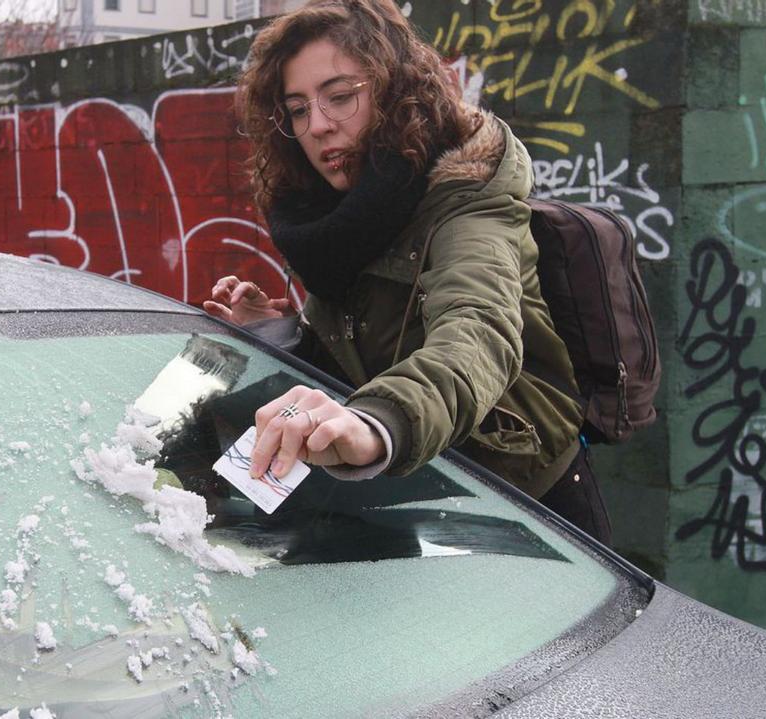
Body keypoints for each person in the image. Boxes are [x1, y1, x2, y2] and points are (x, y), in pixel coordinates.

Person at [204, 0, 612, 543]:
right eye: (297, 109)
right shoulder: (335, 214)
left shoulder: (466, 201)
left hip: (524, 504)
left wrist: (375, 421)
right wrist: (282, 332)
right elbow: (372, 338)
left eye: (341, 96)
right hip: (411, 489)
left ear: (396, 91)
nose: (318, 125)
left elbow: (478, 332)